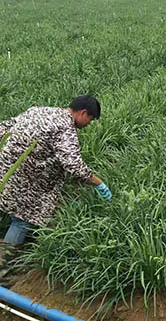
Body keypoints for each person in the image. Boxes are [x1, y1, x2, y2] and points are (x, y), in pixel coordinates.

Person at [0, 95, 111, 272]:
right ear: (83, 113)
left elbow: (5, 127)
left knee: (11, 211)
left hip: (6, 171)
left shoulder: (39, 110)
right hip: (24, 181)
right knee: (21, 221)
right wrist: (98, 183)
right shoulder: (65, 128)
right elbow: (73, 164)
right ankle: (3, 267)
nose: (87, 125)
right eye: (89, 120)